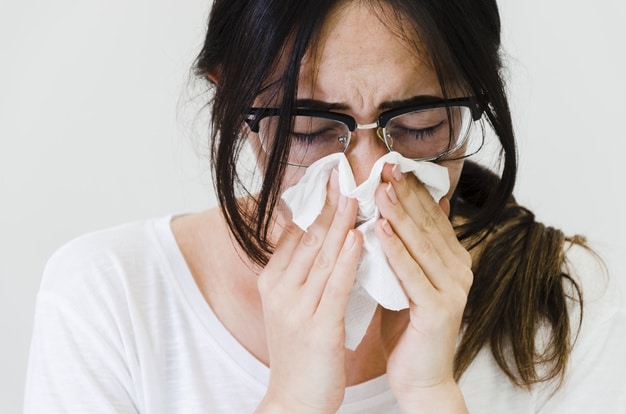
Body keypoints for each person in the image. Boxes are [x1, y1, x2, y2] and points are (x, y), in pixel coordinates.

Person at [24, 0, 626, 413]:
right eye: (311, 130)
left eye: (418, 125)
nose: (365, 176)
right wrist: (291, 400)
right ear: (235, 110)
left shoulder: (562, 301)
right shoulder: (110, 298)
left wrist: (430, 390)